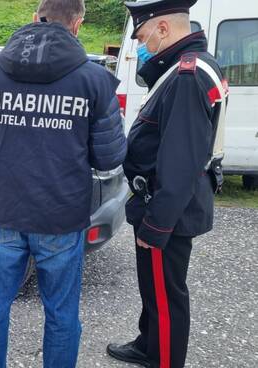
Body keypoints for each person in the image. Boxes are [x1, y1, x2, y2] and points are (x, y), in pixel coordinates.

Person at [0, 0, 127, 366]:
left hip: (4, 210)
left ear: (35, 18)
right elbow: (109, 157)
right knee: (61, 314)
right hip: (61, 216)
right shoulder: (94, 81)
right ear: (77, 24)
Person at [106, 1, 229, 368]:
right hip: (160, 201)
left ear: (163, 29)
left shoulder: (187, 77)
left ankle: (163, 359)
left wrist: (156, 225)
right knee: (153, 288)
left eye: (143, 36)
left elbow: (181, 163)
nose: (142, 45)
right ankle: (149, 344)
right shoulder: (188, 65)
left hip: (166, 208)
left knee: (166, 295)